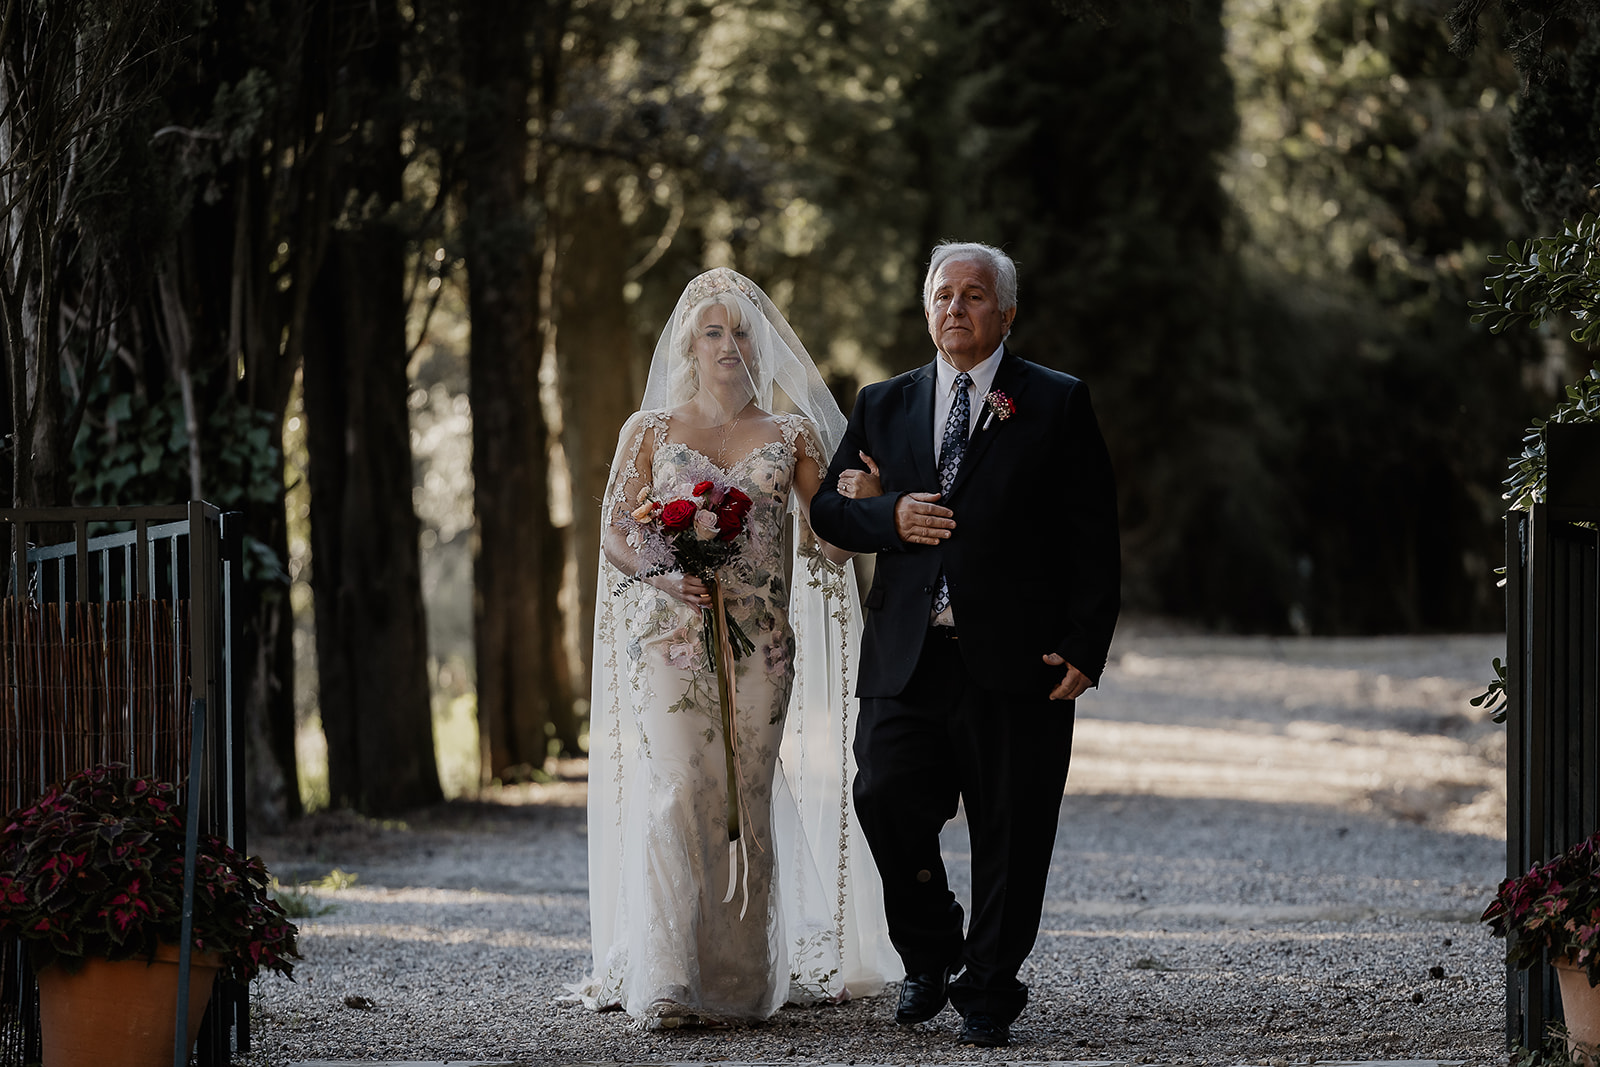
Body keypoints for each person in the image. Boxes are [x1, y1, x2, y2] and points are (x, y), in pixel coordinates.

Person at [809, 241, 1120, 1048]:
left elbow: (1094, 534)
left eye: (975, 295)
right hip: (906, 653)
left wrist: (1087, 644)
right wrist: (889, 517)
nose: (956, 307)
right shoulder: (882, 403)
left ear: (1007, 313)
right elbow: (828, 512)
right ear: (926, 309)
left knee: (1012, 830)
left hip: (1019, 660)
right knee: (881, 795)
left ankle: (989, 985)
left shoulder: (1054, 401)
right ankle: (930, 946)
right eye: (944, 294)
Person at [573, 267, 899, 1029]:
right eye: (713, 330)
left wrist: (861, 502)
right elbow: (615, 529)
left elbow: (827, 540)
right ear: (689, 342)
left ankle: (739, 981)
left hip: (762, 648)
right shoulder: (649, 430)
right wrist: (662, 570)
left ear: (764, 346)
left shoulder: (791, 436)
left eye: (742, 330)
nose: (729, 343)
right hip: (674, 642)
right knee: (682, 789)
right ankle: (667, 978)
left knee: (743, 795)